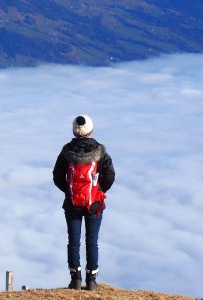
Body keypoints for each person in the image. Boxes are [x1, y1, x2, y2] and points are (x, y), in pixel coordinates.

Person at [52, 115, 115, 291]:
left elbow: (57, 176)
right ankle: (92, 280)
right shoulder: (101, 152)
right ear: (91, 130)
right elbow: (110, 176)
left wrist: (69, 191)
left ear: (74, 130)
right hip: (94, 203)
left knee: (73, 241)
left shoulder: (66, 152)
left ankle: (76, 280)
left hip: (72, 204)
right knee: (92, 240)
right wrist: (99, 191)